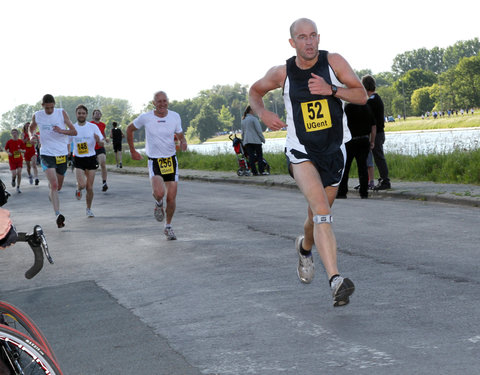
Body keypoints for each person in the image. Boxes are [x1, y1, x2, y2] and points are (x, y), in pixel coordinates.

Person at [249, 18, 368, 307]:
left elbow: (362, 96)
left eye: (313, 35)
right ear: (293, 42)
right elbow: (254, 92)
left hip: (333, 152)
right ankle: (336, 280)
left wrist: (332, 90)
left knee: (315, 216)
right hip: (301, 152)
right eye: (302, 37)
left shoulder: (334, 62)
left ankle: (304, 249)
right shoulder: (283, 73)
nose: (310, 41)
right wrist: (262, 114)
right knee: (322, 211)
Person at [127, 91, 187, 240]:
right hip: (155, 161)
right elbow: (129, 129)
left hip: (171, 160)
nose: (162, 104)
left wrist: (183, 141)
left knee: (171, 198)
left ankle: (168, 227)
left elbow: (180, 133)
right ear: (153, 103)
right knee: (160, 193)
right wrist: (133, 151)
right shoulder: (146, 117)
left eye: (164, 101)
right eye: (158, 101)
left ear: (168, 102)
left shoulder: (175, 116)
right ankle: (158, 203)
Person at [29, 94, 77, 228]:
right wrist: (32, 135)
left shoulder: (61, 113)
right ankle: (58, 214)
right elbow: (31, 128)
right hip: (46, 153)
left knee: (58, 187)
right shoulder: (37, 115)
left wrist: (62, 131)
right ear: (42, 105)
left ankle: (52, 194)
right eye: (47, 108)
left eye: (52, 107)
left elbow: (74, 132)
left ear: (54, 105)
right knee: (54, 184)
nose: (50, 110)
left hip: (61, 154)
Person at [71, 105, 105, 218]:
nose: (81, 115)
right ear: (76, 114)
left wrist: (98, 141)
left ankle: (88, 209)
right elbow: (66, 142)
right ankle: (78, 188)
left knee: (89, 187)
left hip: (90, 158)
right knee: (82, 184)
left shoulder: (93, 127)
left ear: (86, 114)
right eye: (79, 113)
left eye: (83, 113)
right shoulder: (72, 128)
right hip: (78, 159)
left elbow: (101, 143)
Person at [337, 103, 376, 199]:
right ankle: (364, 192)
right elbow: (373, 126)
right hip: (364, 140)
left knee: (346, 168)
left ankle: (342, 192)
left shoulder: (347, 108)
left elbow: (341, 124)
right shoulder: (367, 107)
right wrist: (372, 141)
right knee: (363, 167)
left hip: (349, 141)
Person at [362, 75, 391, 190]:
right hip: (379, 132)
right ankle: (382, 179)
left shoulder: (372, 101)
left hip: (377, 133)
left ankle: (385, 180)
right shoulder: (376, 99)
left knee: (379, 157)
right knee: (378, 156)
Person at [241, 105, 267, 175]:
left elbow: (242, 133)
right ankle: (261, 171)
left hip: (247, 141)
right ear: (251, 110)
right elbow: (259, 131)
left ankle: (254, 172)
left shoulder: (243, 120)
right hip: (255, 140)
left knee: (251, 157)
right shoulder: (254, 119)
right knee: (259, 156)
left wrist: (243, 141)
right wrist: (263, 139)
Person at [91, 109, 109, 192]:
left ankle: (104, 183)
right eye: (96, 113)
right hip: (91, 148)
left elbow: (102, 133)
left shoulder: (103, 125)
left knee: (103, 163)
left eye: (99, 113)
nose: (98, 115)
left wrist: (105, 139)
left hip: (100, 147)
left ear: (101, 115)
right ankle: (88, 183)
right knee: (91, 167)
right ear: (93, 115)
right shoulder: (90, 124)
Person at [4, 129, 25, 194]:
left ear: (17, 134)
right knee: (14, 174)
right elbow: (6, 149)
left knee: (19, 173)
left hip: (19, 160)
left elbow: (25, 150)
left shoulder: (20, 141)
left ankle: (18, 187)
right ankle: (13, 180)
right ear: (11, 134)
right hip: (12, 160)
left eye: (15, 133)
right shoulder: (9, 141)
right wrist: (8, 152)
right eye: (13, 133)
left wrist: (21, 151)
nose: (14, 134)